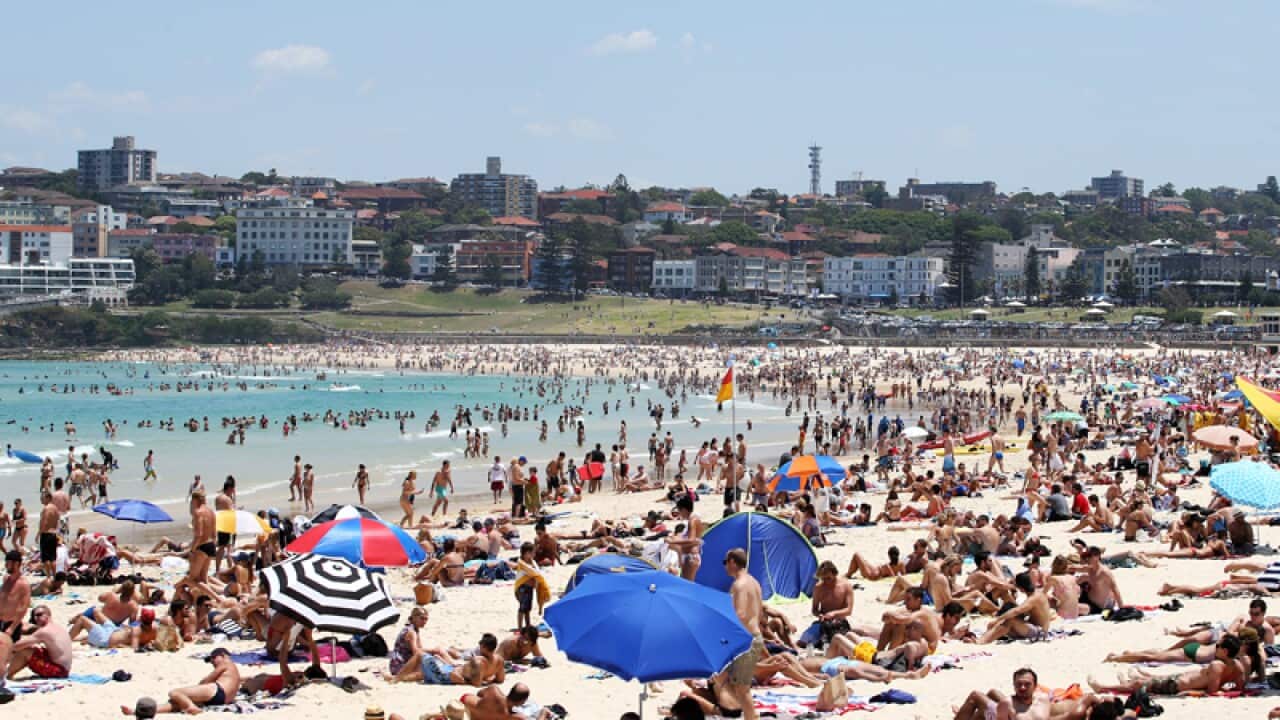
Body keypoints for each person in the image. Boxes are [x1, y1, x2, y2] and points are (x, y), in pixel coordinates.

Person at [1088, 634, 1243, 697]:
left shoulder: (1217, 665)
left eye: (1218, 646)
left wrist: (1189, 692)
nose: (1215, 648)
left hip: (1177, 685)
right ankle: (1127, 681)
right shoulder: (1237, 666)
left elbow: (1212, 691)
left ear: (1225, 651)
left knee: (1139, 684)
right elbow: (1239, 687)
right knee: (1147, 677)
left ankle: (1102, 687)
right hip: (1180, 679)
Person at [121, 646, 242, 715]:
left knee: (175, 693)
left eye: (213, 658)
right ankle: (139, 712)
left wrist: (201, 684)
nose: (212, 662)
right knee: (176, 704)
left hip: (218, 691)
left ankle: (191, 708)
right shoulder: (233, 671)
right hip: (223, 699)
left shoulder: (226, 662)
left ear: (223, 655)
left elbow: (206, 681)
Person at [725, 548, 763, 720]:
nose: (725, 567)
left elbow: (739, 614)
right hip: (755, 637)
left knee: (742, 688)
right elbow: (759, 613)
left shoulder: (739, 585)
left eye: (726, 562)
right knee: (740, 686)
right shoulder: (754, 582)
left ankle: (752, 717)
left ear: (733, 562)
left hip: (746, 640)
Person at [953, 667, 1048, 720]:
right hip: (1006, 711)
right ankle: (966, 715)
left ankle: (964, 715)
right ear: (1014, 685)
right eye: (1018, 684)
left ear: (1035, 686)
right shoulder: (1043, 700)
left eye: (1027, 684)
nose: (1022, 687)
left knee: (975, 696)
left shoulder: (1043, 700)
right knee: (993, 692)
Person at [6, 605, 72, 680]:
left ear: (48, 614)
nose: (36, 618)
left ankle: (6, 675)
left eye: (39, 614)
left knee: (25, 651)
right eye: (34, 616)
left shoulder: (44, 631)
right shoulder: (57, 627)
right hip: (63, 669)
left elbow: (16, 646)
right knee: (33, 648)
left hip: (59, 672)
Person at [798, 561, 853, 648]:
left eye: (828, 578)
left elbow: (849, 610)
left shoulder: (846, 586)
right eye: (823, 579)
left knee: (838, 645)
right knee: (802, 642)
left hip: (839, 623)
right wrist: (819, 614)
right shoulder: (818, 587)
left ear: (834, 573)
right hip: (823, 623)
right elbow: (814, 609)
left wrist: (834, 614)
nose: (826, 582)